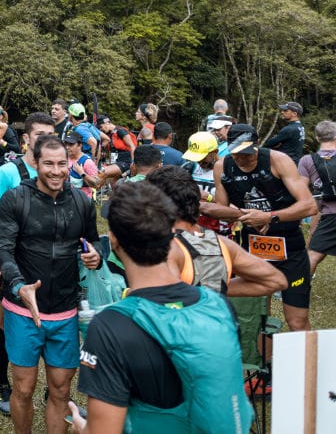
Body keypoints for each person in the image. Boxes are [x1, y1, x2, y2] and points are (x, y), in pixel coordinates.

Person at [68, 181, 253, 434]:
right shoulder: (219, 305)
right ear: (171, 236)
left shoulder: (111, 327)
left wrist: (83, 428)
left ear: (114, 240)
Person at [0, 134, 100, 434]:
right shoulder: (16, 198)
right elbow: (2, 248)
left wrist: (94, 257)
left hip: (66, 312)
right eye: (48, 164)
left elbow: (92, 244)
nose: (56, 171)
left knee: (61, 390)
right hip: (22, 310)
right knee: (24, 389)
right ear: (35, 163)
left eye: (62, 164)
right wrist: (18, 286)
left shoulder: (81, 201)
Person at [0, 112, 57, 415]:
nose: (46, 142)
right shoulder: (10, 172)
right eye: (40, 135)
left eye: (51, 136)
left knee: (53, 320)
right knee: (6, 321)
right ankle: (3, 383)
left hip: (51, 263)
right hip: (15, 261)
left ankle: (53, 389)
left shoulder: (58, 170)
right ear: (26, 138)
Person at [212, 124, 318, 332]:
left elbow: (309, 205)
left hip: (289, 244)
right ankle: (265, 362)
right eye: (238, 154)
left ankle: (308, 363)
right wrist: (241, 214)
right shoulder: (222, 167)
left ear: (257, 146)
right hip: (253, 247)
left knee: (296, 320)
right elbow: (222, 210)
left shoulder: (277, 160)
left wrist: (269, 217)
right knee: (257, 319)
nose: (243, 159)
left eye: (248, 154)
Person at [145, 165, 287, 297]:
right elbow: (276, 281)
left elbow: (163, 300)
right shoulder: (223, 244)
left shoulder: (165, 248)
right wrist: (212, 288)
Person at [303, 120, 336, 275]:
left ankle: (296, 292)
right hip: (327, 215)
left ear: (317, 138)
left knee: (313, 254)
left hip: (327, 214)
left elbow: (301, 192)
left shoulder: (307, 160)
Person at [64, 131, 100, 198]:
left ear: (80, 145)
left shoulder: (87, 162)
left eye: (71, 144)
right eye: (66, 144)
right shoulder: (63, 158)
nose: (67, 147)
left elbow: (97, 185)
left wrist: (82, 174)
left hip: (82, 200)